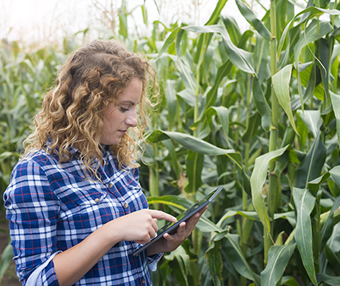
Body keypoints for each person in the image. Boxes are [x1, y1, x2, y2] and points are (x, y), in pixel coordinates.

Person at [3, 39, 207, 286]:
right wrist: (112, 231)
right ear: (88, 105)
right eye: (124, 108)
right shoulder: (37, 172)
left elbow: (120, 258)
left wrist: (159, 245)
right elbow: (35, 280)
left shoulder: (117, 158)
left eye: (135, 108)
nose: (134, 120)